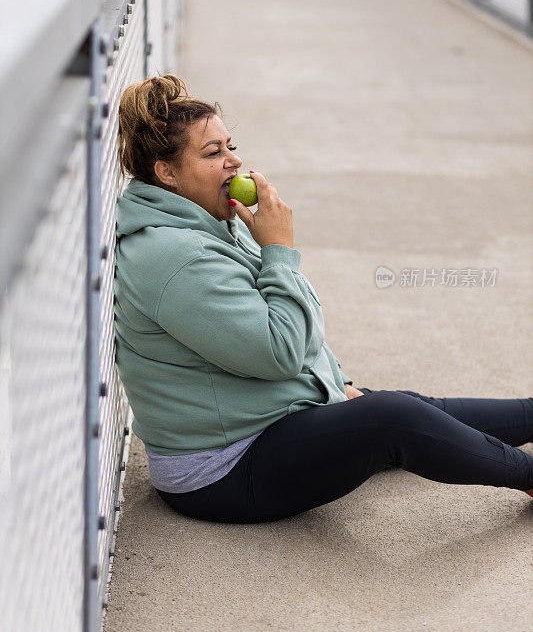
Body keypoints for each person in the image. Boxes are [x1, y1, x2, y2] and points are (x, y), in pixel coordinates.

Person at [114, 73, 533, 524]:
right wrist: (278, 251)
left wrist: (334, 387)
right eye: (214, 153)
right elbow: (280, 352)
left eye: (230, 146)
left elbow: (295, 334)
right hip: (224, 468)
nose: (234, 162)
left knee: (411, 407)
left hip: (263, 420)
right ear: (167, 172)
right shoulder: (176, 257)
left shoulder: (211, 224)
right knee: (393, 416)